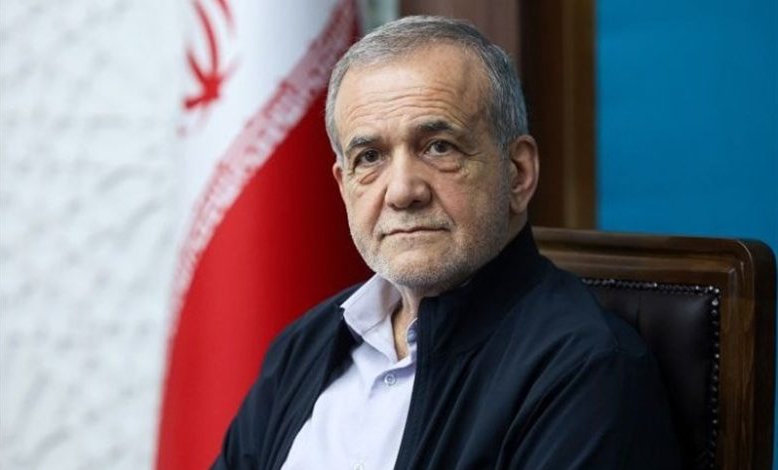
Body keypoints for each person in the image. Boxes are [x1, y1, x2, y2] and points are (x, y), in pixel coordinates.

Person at [213, 15, 681, 470]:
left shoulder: (586, 372)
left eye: (439, 146)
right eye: (370, 157)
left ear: (518, 174)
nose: (402, 191)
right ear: (344, 185)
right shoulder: (302, 347)